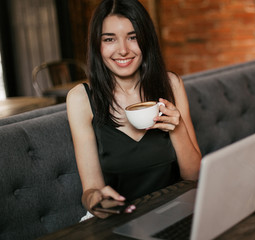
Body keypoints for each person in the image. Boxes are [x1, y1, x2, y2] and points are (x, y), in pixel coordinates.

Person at [66, 0, 202, 219]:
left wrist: (176, 128)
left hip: (176, 211)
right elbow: (90, 189)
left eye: (133, 37)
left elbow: (194, 175)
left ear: (146, 39)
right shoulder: (81, 99)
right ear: (96, 45)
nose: (123, 50)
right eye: (109, 39)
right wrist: (97, 201)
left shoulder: (171, 84)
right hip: (122, 219)